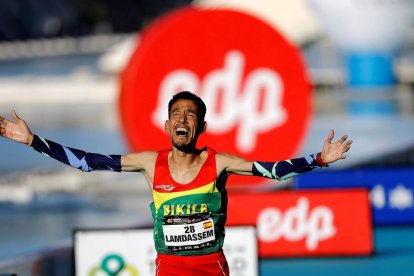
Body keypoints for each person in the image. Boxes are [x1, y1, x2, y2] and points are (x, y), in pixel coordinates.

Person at [0, 91, 352, 276]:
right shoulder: (149, 163)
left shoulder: (220, 163)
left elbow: (274, 170)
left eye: (190, 115)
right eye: (176, 114)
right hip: (170, 269)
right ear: (168, 127)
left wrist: (318, 160)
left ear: (200, 128)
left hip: (212, 268)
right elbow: (88, 162)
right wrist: (34, 141)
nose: (182, 119)